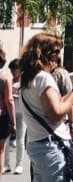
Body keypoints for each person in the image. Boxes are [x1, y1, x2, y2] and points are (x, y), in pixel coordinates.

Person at [20, 33, 73, 182]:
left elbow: (50, 106)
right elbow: (56, 113)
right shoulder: (44, 78)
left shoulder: (29, 79)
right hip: (50, 148)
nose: (58, 58)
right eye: (56, 53)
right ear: (44, 55)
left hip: (37, 145)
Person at [4, 59, 25, 175]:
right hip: (9, 112)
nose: (12, 72)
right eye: (11, 69)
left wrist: (14, 95)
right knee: (6, 139)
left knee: (20, 139)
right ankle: (6, 164)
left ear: (19, 70)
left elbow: (26, 96)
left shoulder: (24, 82)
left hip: (21, 112)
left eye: (14, 69)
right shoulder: (10, 81)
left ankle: (19, 165)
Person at [0, 48, 16, 176]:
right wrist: (13, 122)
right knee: (0, 150)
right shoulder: (5, 78)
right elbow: (9, 101)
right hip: (1, 116)